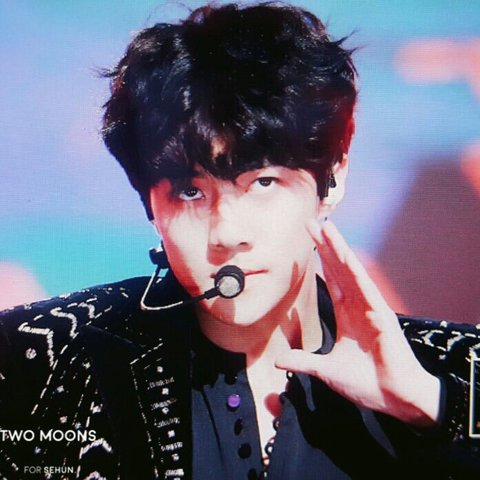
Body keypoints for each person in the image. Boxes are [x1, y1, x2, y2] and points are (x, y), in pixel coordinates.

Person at [0, 3, 479, 479]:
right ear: (150, 205)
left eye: (263, 183)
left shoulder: (461, 365)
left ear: (332, 177)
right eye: (190, 192)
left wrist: (432, 404)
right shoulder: (35, 357)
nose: (226, 233)